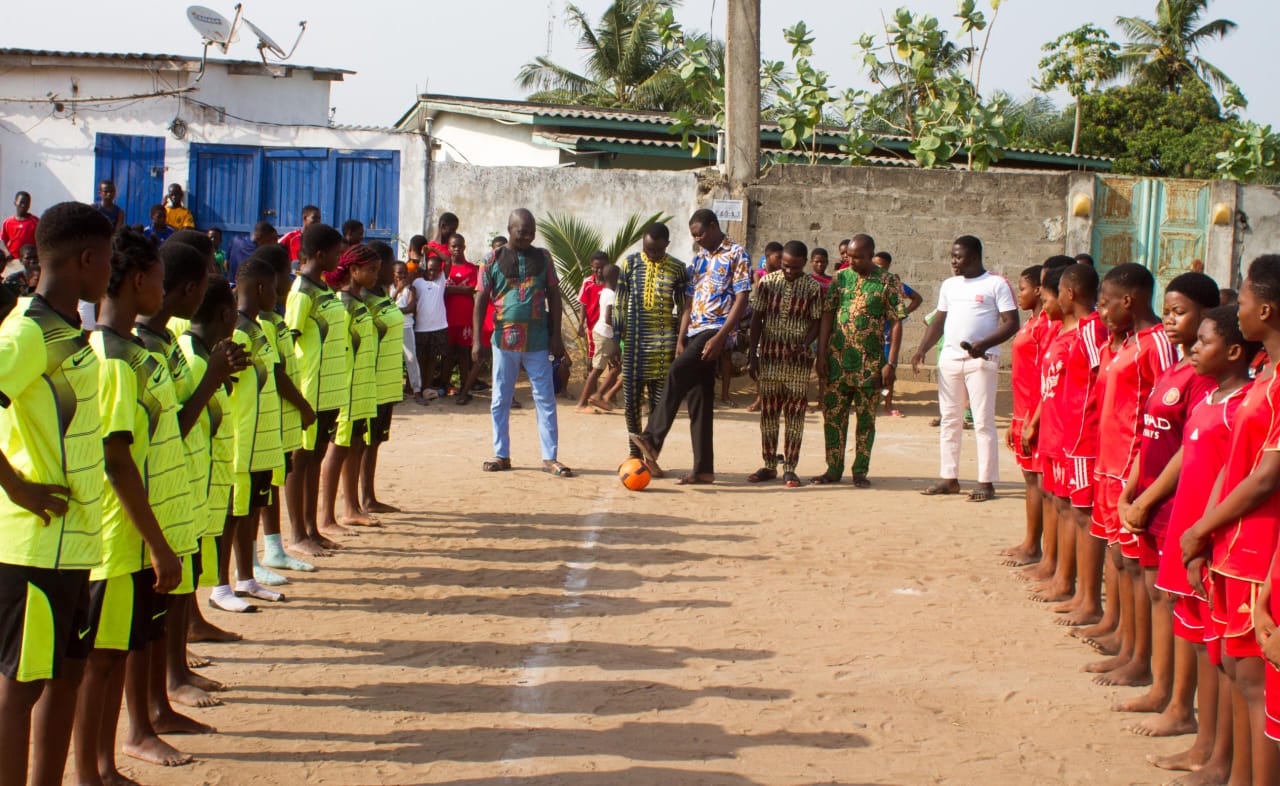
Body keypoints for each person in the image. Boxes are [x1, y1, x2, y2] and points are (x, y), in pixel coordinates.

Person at [0, 202, 112, 786]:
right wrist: (16, 485)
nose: (112, 270)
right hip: (32, 548)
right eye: (109, 258)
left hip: (74, 544)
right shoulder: (27, 332)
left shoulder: (68, 330)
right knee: (20, 687)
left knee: (65, 673)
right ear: (88, 259)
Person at [1181, 256, 1280, 786]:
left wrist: (1199, 529)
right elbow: (1234, 466)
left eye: (1240, 301)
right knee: (1237, 674)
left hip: (1261, 550)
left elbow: (1265, 478)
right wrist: (1206, 535)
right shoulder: (1267, 376)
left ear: (1265, 310)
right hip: (1234, 547)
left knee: (1256, 684)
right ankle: (1233, 772)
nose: (1235, 307)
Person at [134, 240, 239, 722]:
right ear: (188, 292)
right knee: (158, 607)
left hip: (185, 487)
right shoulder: (144, 351)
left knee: (176, 596)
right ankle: (163, 694)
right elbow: (173, 424)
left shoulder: (165, 346)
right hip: (163, 493)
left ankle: (174, 674)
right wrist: (213, 379)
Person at [1149, 305, 1255, 779]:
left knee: (1222, 657)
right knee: (1198, 643)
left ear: (1233, 351)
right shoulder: (1209, 398)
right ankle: (1204, 742)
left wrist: (1205, 538)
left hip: (1213, 543)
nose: (1193, 347)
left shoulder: (1244, 406)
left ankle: (1216, 753)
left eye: (1204, 341)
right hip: (1187, 535)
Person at [1113, 273, 1219, 725]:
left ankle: (1179, 703)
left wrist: (1148, 497)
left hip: (1176, 503)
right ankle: (1160, 688)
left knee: (1177, 603)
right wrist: (1131, 488)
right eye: (1170, 311)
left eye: (1181, 313)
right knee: (1159, 596)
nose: (1172, 321)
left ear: (1206, 315)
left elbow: (1186, 448)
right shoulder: (1174, 367)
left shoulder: (1203, 378)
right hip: (1151, 499)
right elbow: (1149, 436)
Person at [1084, 263, 1177, 689]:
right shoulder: (1126, 342)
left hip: (1133, 469)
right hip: (1110, 464)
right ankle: (1124, 639)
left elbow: (1165, 416)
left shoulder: (1158, 344)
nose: (1100, 310)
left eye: (1106, 301)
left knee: (1140, 566)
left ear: (1129, 299)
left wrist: (1144, 481)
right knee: (1120, 559)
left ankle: (1142, 659)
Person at [629, 209, 750, 485]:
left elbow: (742, 299)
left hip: (715, 331)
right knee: (700, 401)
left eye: (700, 233)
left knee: (676, 373)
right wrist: (680, 339)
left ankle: (652, 439)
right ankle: (703, 470)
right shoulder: (698, 260)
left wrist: (721, 337)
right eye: (693, 235)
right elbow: (688, 303)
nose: (697, 238)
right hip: (694, 331)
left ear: (713, 226)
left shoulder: (736, 253)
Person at [1025, 264, 1107, 624]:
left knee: (1081, 513)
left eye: (1051, 294)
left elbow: (1102, 382)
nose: (1047, 302)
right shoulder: (1062, 332)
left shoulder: (1091, 333)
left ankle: (1083, 594)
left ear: (1069, 294)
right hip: (1059, 435)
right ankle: (1060, 575)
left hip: (1081, 437)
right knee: (1061, 505)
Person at [912, 235, 1019, 502]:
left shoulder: (996, 283)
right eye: (952, 257)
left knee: (983, 421)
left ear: (974, 257)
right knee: (950, 420)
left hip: (981, 361)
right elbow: (939, 321)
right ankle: (949, 478)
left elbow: (1011, 323)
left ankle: (986, 482)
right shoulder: (949, 285)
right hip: (949, 360)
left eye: (958, 257)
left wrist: (984, 344)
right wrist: (921, 349)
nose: (953, 262)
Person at [474, 208, 572, 477]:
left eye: (531, 232)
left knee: (545, 398)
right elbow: (481, 299)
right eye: (522, 232)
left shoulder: (544, 258)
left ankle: (550, 457)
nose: (528, 236)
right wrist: (476, 342)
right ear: (509, 229)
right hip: (503, 341)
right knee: (501, 398)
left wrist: (556, 335)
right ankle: (501, 454)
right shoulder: (490, 259)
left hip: (539, 340)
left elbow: (554, 294)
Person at [214, 256, 286, 614]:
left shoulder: (259, 329)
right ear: (260, 288)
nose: (277, 294)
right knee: (232, 515)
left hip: (262, 442)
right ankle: (220, 585)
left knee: (251, 511)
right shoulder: (239, 333)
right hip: (242, 442)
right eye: (273, 287)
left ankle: (246, 577)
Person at [811, 234, 904, 487]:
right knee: (833, 417)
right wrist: (821, 354)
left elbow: (896, 322)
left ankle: (860, 471)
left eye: (858, 258)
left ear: (870, 255)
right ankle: (833, 469)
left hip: (871, 364)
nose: (851, 261)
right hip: (837, 362)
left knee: (865, 420)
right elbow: (828, 314)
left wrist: (891, 362)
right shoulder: (840, 278)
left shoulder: (888, 281)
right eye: (849, 257)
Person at [252, 246, 318, 581]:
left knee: (271, 480)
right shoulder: (258, 324)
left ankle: (273, 549)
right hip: (264, 418)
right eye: (284, 275)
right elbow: (276, 373)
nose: (288, 281)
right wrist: (304, 406)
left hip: (278, 417)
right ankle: (250, 562)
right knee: (254, 492)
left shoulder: (272, 318)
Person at [283, 224, 347, 557]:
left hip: (329, 390)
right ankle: (296, 533)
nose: (340, 258)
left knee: (315, 457)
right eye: (337, 252)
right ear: (320, 254)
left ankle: (312, 528)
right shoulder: (302, 292)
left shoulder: (320, 288)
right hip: (310, 389)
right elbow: (289, 342)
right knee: (301, 459)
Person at [745, 240, 823, 487]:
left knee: (795, 415)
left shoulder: (812, 287)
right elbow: (756, 318)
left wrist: (805, 344)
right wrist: (753, 355)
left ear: (804, 263)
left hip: (798, 363)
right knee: (768, 415)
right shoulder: (767, 283)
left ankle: (790, 467)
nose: (789, 271)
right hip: (769, 358)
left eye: (795, 267)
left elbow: (817, 321)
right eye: (786, 266)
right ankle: (769, 465)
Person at [319, 245, 380, 535]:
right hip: (346, 387)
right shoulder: (344, 305)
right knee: (339, 445)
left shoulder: (359, 301)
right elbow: (341, 348)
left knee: (355, 443)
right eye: (371, 270)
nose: (375, 275)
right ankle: (327, 516)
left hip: (361, 387)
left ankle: (352, 507)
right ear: (353, 271)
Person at [616, 223, 687, 458]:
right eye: (648, 249)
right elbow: (619, 302)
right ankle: (633, 454)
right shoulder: (630, 263)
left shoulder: (678, 269)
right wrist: (618, 338)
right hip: (634, 347)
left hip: (663, 349)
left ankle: (651, 454)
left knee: (658, 408)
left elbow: (683, 307)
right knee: (631, 404)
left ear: (667, 244)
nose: (652, 255)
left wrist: (680, 341)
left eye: (657, 250)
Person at [1003, 263, 1052, 568]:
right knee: (1030, 481)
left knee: (1038, 483)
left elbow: (1045, 379)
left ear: (1037, 290)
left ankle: (1035, 546)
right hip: (1023, 411)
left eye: (1022, 289)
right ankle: (1030, 541)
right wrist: (1014, 419)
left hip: (1036, 414)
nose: (1019, 295)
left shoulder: (1045, 327)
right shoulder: (1031, 324)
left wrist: (1032, 421)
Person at [360, 241, 406, 513]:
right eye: (390, 265)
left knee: (375, 441)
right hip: (371, 383)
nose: (394, 270)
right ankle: (360, 499)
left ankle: (368, 495)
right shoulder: (366, 299)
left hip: (386, 383)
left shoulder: (383, 295)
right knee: (364, 443)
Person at [873, 251, 923, 418]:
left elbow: (917, 298)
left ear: (888, 266)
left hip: (888, 334)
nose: (877, 268)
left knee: (888, 369)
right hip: (870, 334)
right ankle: (871, 403)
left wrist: (902, 314)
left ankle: (888, 404)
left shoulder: (896, 285)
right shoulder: (868, 283)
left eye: (881, 265)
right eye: (875, 264)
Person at [577, 263, 621, 413]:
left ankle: (599, 395)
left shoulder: (606, 292)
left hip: (604, 333)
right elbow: (609, 319)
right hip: (605, 334)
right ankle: (582, 403)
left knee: (616, 367)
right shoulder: (611, 295)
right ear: (616, 278)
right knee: (597, 370)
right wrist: (621, 331)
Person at [442, 233, 479, 403]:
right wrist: (460, 288)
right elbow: (442, 289)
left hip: (465, 318)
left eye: (459, 246)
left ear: (464, 247)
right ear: (448, 248)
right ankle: (444, 386)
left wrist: (451, 288)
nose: (457, 249)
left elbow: (471, 289)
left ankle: (466, 388)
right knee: (447, 353)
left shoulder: (471, 268)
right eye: (453, 246)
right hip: (446, 318)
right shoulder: (444, 268)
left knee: (464, 354)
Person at [412, 255, 449, 403]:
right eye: (429, 270)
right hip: (421, 328)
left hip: (438, 327)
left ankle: (427, 388)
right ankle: (418, 388)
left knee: (433, 359)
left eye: (435, 270)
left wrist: (431, 249)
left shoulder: (441, 281)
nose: (432, 273)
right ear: (425, 269)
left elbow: (447, 261)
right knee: (421, 359)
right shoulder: (417, 282)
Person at [577, 251, 607, 396]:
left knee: (612, 361)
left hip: (609, 328)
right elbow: (583, 304)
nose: (599, 270)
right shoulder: (587, 282)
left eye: (602, 267)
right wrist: (581, 323)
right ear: (591, 267)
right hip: (592, 328)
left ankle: (609, 395)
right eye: (597, 267)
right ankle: (592, 392)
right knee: (592, 361)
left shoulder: (612, 283)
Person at [393, 261, 422, 397]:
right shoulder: (389, 288)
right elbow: (385, 306)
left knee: (411, 358)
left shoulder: (411, 289)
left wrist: (393, 310)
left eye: (405, 272)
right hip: (392, 327)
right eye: (399, 272)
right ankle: (394, 390)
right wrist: (398, 290)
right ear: (393, 273)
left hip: (406, 326)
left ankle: (416, 389)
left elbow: (410, 308)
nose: (403, 275)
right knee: (393, 360)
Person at [3, 191, 39, 261]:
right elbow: (3, 240)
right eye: (21, 202)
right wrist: (7, 253)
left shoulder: (35, 221)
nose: (23, 205)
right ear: (15, 203)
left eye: (26, 203)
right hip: (12, 259)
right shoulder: (8, 222)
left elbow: (40, 240)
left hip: (29, 260)